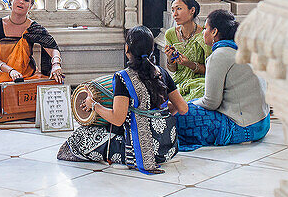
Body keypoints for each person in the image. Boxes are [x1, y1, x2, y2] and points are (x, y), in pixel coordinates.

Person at [57, 26, 189, 174]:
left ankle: (124, 157)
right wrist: (159, 112)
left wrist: (94, 105)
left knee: (81, 136)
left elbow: (117, 119)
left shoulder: (123, 77)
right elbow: (183, 108)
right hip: (167, 148)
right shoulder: (162, 72)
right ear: (152, 49)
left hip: (141, 152)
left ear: (127, 48)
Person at [175, 10, 270, 152]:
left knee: (177, 115)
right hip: (262, 124)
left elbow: (211, 103)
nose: (203, 32)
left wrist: (186, 104)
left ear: (214, 32)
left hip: (243, 127)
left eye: (206, 28)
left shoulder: (220, 55)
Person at [0, 0, 64, 83]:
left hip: (27, 78)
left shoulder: (33, 28)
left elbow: (53, 49)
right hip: (1, 78)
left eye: (26, 0)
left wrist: (56, 64)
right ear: (11, 1)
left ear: (30, 6)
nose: (21, 1)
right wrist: (11, 71)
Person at [161, 0, 210, 101]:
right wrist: (170, 58)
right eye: (173, 10)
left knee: (202, 90)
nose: (175, 14)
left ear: (192, 10)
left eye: (179, 9)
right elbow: (172, 69)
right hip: (178, 81)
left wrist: (189, 64)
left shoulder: (204, 35)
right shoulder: (170, 34)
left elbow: (210, 70)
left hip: (199, 82)